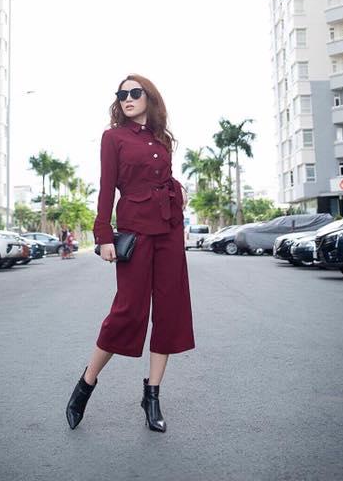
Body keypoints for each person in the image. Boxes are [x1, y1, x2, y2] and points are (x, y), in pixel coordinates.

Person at [65, 74, 195, 434]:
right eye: (121, 94)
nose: (127, 98)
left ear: (149, 97)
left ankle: (152, 395)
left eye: (134, 92)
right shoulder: (113, 137)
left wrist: (178, 187)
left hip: (169, 229)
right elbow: (107, 187)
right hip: (135, 231)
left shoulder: (161, 137)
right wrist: (103, 234)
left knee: (169, 311)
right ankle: (86, 383)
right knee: (128, 311)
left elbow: (161, 177)